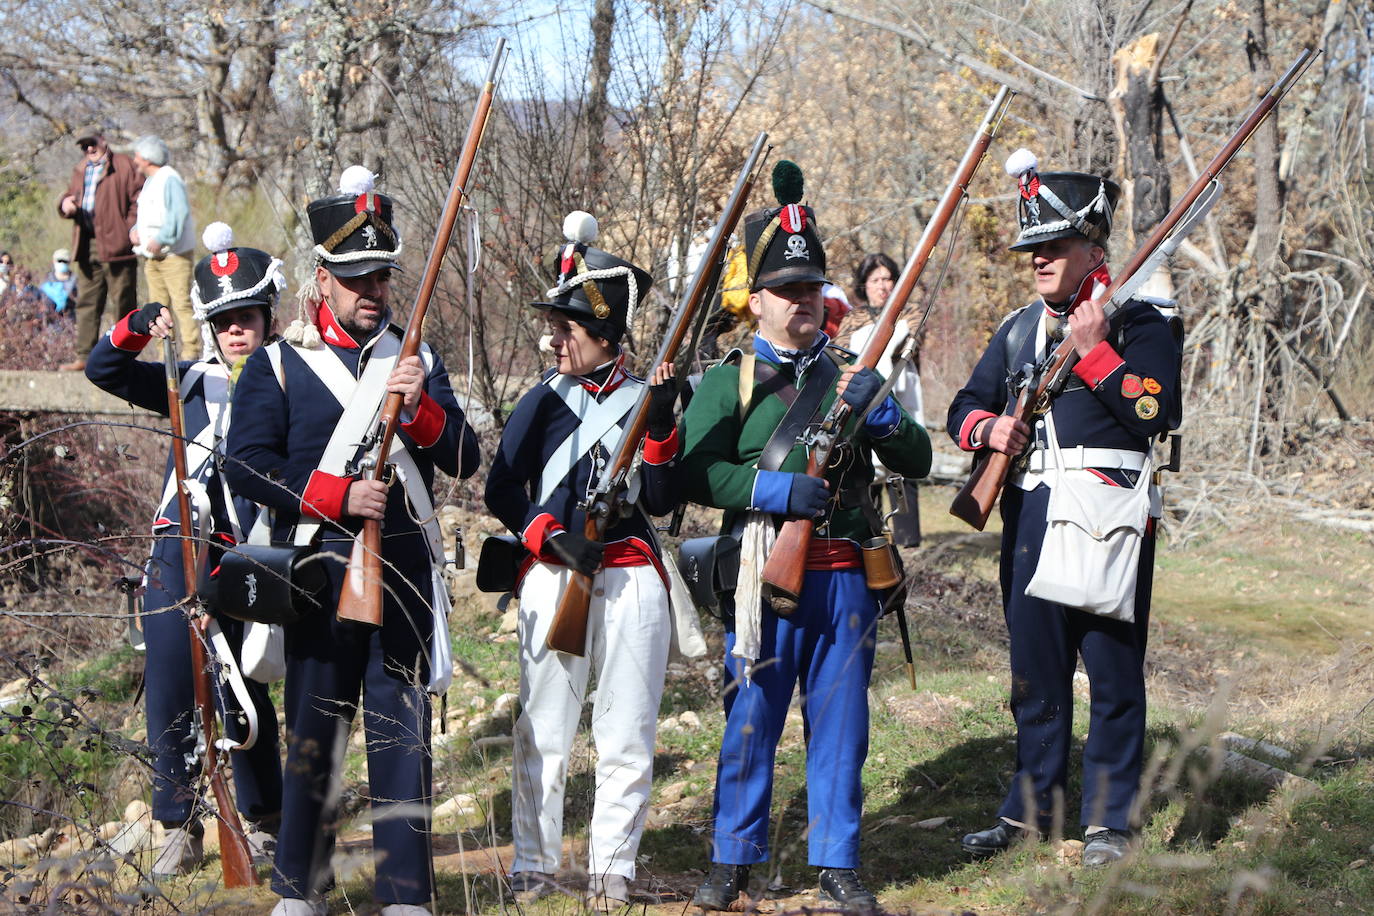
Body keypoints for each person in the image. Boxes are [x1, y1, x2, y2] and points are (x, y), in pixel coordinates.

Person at [226, 166, 480, 916]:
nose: (372, 290)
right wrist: (337, 494)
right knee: (315, 735)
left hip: (399, 573)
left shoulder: (417, 358)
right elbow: (246, 467)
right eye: (355, 276)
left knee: (403, 736)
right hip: (317, 576)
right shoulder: (280, 362)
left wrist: (422, 411)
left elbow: (465, 458)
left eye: (380, 276)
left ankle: (406, 894)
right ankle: (302, 887)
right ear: (323, 278)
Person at [680, 162, 931, 910]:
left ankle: (837, 860)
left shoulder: (855, 372)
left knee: (842, 726)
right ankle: (733, 858)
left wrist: (884, 416)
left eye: (811, 288)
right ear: (754, 300)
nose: (802, 302)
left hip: (846, 573)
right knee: (750, 719)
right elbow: (697, 473)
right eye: (786, 291)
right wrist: (774, 488)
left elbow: (918, 460)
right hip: (761, 570)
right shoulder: (730, 379)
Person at [947, 151, 1180, 867]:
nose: (1039, 258)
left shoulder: (1142, 320)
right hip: (1032, 514)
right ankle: (1031, 813)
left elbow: (1155, 408)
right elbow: (965, 407)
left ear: (1094, 247)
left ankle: (1109, 822)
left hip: (1110, 515)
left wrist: (1096, 354)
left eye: (1053, 246)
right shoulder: (1019, 330)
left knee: (1113, 677)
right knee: (1035, 677)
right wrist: (991, 431)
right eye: (1033, 248)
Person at [484, 211, 704, 910]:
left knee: (628, 733)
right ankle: (534, 864)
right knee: (543, 728)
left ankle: (614, 870)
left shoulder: (649, 398)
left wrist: (664, 425)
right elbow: (499, 487)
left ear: (604, 336)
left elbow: (665, 501)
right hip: (556, 574)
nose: (552, 338)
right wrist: (546, 535)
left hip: (634, 577)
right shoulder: (542, 400)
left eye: (565, 328)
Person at [84, 222, 286, 877]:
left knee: (246, 688)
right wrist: (139, 323)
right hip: (179, 543)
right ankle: (177, 823)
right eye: (224, 319)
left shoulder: (292, 379)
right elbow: (103, 367)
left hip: (250, 549)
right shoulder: (189, 379)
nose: (236, 330)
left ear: (266, 319)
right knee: (172, 681)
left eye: (247, 317)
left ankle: (262, 820)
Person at [846, 252, 925, 546]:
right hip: (863, 396)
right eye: (875, 280)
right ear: (864, 285)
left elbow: (911, 341)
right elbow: (842, 353)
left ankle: (908, 538)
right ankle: (874, 532)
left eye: (888, 279)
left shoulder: (909, 312)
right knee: (867, 461)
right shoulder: (852, 318)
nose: (883, 285)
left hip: (901, 390)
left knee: (904, 454)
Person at [56, 125, 144, 372]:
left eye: (92, 143)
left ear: (103, 141)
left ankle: (124, 359)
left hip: (119, 245)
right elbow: (70, 196)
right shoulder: (80, 169)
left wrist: (128, 230)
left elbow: (140, 198)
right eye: (84, 146)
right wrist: (65, 204)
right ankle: (84, 356)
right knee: (87, 301)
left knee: (123, 304)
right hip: (87, 243)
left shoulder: (125, 165)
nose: (90, 149)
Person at [130, 135, 198, 358]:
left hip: (174, 257)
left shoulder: (170, 178)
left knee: (181, 305)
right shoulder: (152, 181)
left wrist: (161, 239)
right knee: (157, 309)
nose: (136, 160)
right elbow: (150, 217)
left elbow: (178, 216)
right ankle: (165, 356)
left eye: (138, 155)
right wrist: (136, 232)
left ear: (148, 158)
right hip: (153, 258)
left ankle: (191, 353)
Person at [40, 248, 79, 314]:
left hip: (71, 318)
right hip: (51, 318)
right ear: (53, 261)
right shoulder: (46, 279)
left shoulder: (76, 280)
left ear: (69, 262)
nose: (62, 263)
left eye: (64, 261)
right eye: (59, 261)